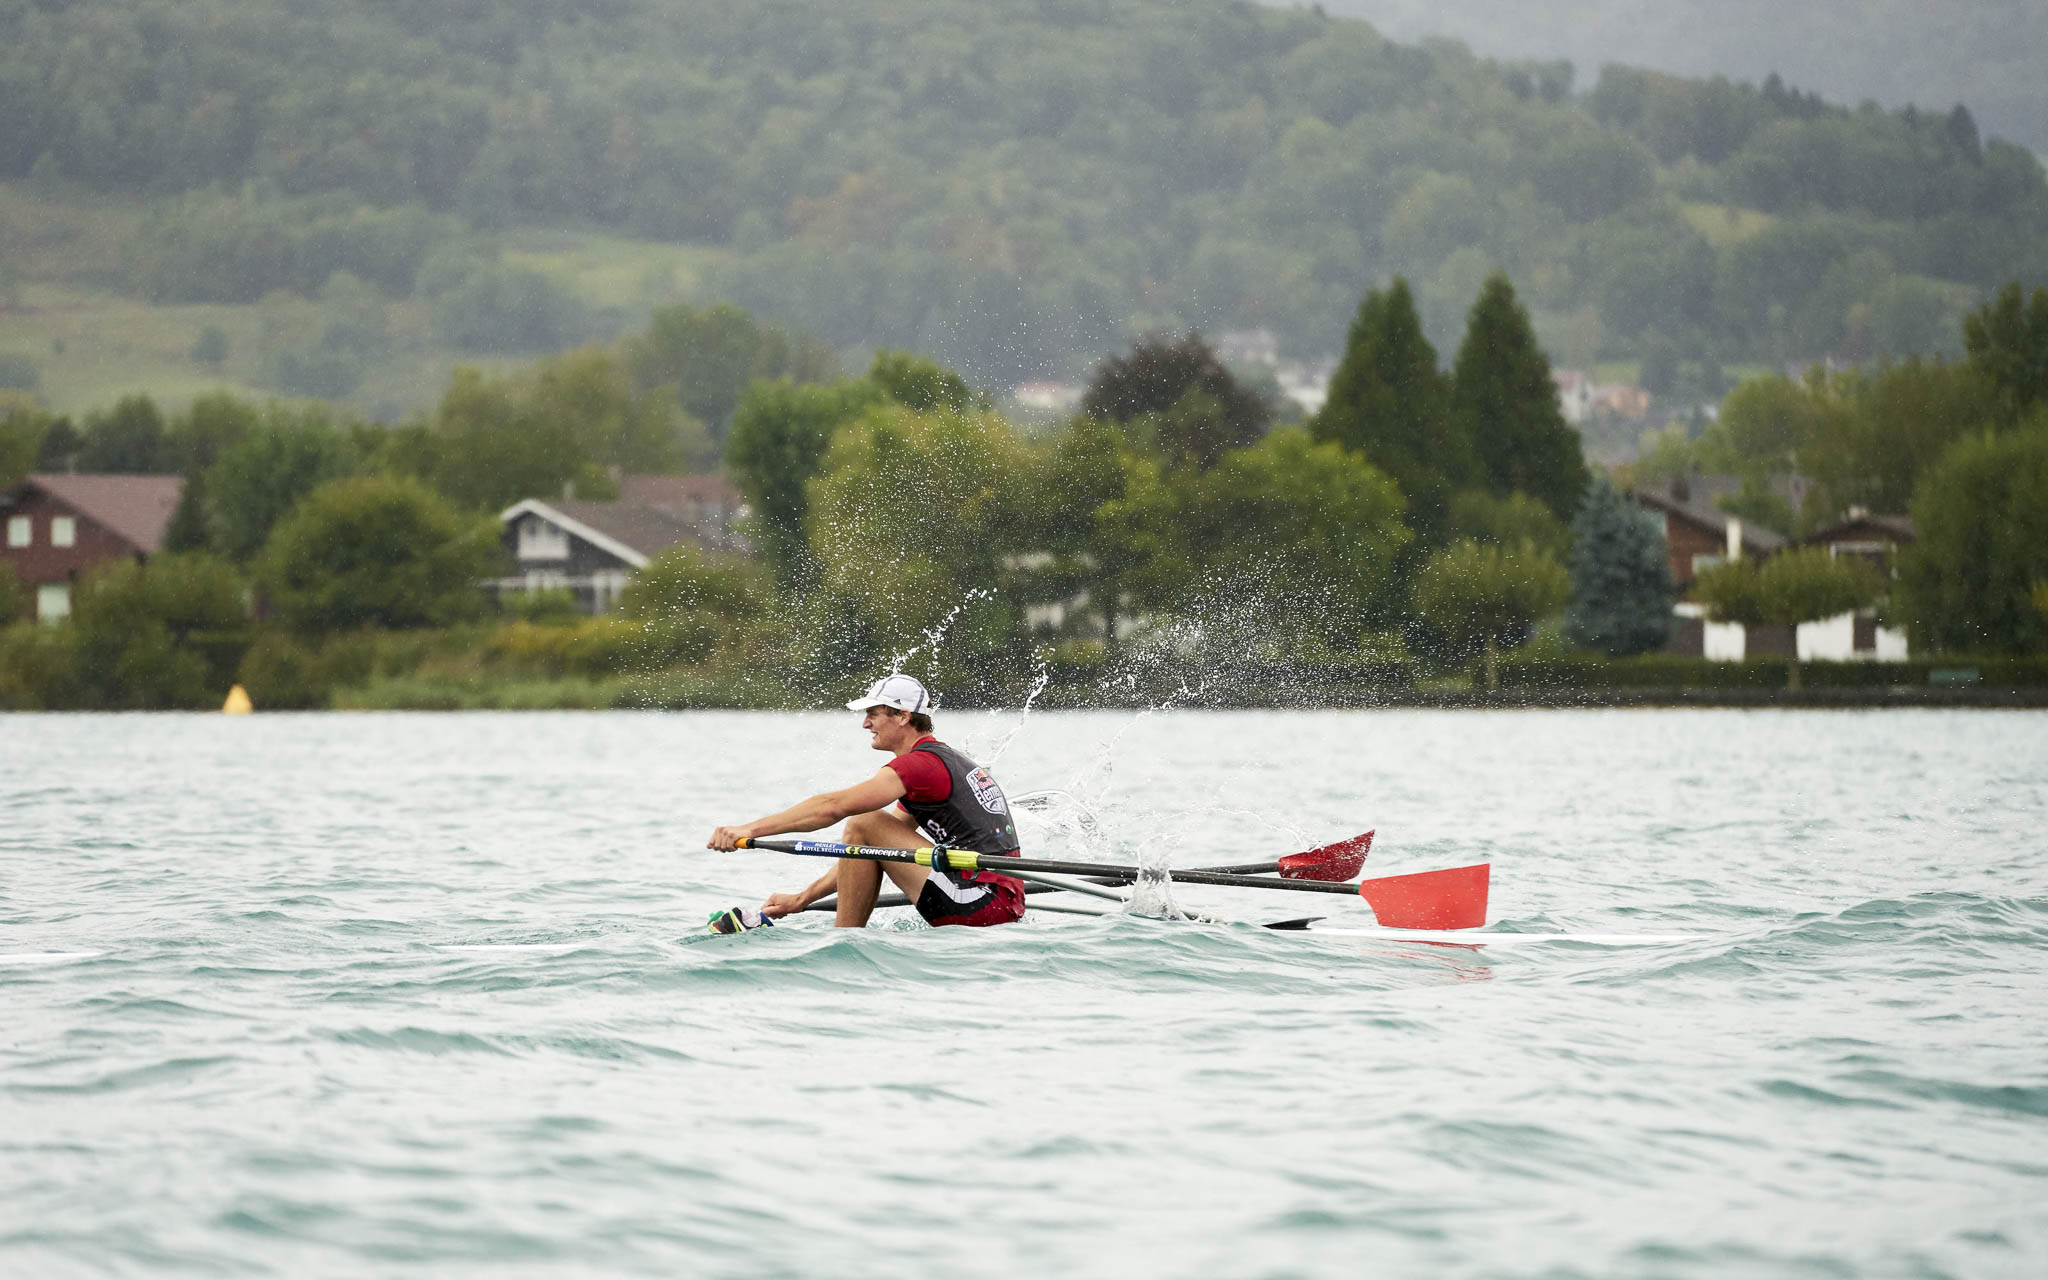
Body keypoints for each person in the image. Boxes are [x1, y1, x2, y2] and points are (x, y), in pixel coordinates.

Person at [707, 675, 1027, 929]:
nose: (865, 724)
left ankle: (843, 943)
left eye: (873, 714)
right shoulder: (942, 759)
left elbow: (833, 806)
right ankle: (844, 933)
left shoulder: (919, 766)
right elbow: (865, 851)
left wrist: (747, 830)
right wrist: (802, 899)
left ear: (902, 716)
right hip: (996, 901)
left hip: (978, 902)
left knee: (864, 819)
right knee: (868, 827)